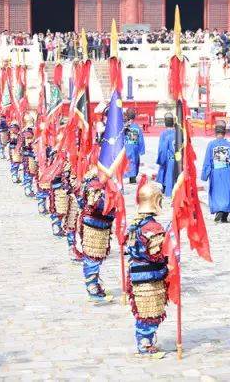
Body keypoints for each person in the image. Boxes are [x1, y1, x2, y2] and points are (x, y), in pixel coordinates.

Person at [125, 178, 169, 358]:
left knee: (144, 311)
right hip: (149, 276)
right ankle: (144, 343)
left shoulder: (135, 224)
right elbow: (156, 254)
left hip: (137, 273)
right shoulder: (153, 227)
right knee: (149, 312)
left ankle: (145, 341)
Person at [78, 168, 116, 302]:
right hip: (94, 225)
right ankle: (92, 288)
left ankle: (94, 284)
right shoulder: (96, 185)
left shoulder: (92, 181)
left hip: (96, 224)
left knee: (95, 256)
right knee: (92, 257)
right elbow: (97, 205)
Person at [201, 121, 230, 223]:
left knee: (216, 192)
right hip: (226, 171)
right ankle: (224, 215)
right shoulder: (229, 145)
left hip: (215, 172)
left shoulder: (211, 145)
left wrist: (204, 175)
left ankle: (218, 210)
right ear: (224, 133)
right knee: (227, 192)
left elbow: (207, 161)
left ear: (215, 133)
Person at [155, 112, 175, 197]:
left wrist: (160, 159)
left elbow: (161, 149)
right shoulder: (177, 134)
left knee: (165, 172)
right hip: (175, 157)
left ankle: (166, 188)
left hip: (166, 157)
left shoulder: (163, 134)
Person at [123, 109, 145, 184]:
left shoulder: (124, 126)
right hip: (134, 147)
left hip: (126, 146)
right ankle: (133, 177)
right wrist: (141, 150)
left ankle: (126, 175)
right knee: (134, 162)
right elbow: (140, 139)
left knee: (127, 162)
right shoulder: (136, 127)